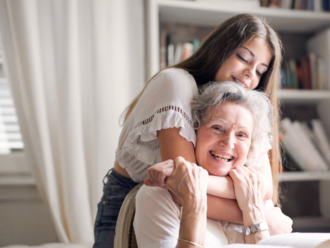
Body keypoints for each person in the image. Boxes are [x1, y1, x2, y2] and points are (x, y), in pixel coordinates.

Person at [93, 14, 291, 248]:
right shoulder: (176, 84)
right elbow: (182, 191)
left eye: (260, 71)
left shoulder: (245, 105)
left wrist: (186, 178)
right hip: (134, 203)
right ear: (219, 49)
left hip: (201, 208)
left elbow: (264, 187)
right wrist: (258, 214)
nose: (250, 74)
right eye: (243, 58)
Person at [134, 82, 276, 247]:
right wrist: (193, 199)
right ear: (194, 131)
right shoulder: (160, 195)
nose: (229, 143)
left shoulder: (256, 197)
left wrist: (254, 213)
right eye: (217, 128)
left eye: (241, 135)